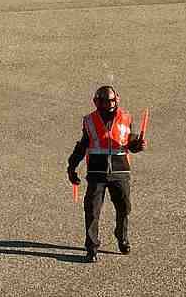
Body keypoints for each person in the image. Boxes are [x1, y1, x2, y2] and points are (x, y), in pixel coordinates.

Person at [66, 85, 145, 263]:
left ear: (117, 99)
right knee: (92, 210)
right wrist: (72, 166)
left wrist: (137, 146)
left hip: (120, 171)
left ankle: (121, 235)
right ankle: (92, 247)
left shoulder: (127, 118)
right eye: (103, 101)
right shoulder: (89, 120)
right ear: (96, 102)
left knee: (124, 207)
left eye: (111, 100)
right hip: (96, 172)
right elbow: (83, 145)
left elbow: (131, 144)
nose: (108, 104)